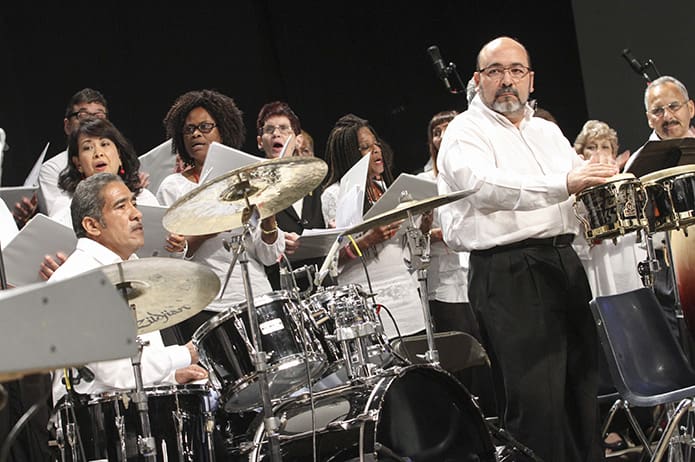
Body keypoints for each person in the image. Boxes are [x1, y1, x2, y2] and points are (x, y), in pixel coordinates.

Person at [436, 36, 618, 461]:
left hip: (562, 262)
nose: (507, 80)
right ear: (478, 80)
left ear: (530, 80)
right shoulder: (465, 132)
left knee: (581, 389)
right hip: (508, 270)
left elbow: (582, 190)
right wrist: (565, 185)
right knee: (536, 402)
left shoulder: (548, 132)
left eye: (516, 71)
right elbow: (482, 187)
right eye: (496, 71)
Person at [48, 173, 206, 405]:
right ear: (92, 225)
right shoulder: (76, 278)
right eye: (121, 206)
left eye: (134, 203)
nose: (137, 213)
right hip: (99, 422)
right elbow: (116, 372)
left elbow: (139, 361)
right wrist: (184, 354)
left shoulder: (129, 265)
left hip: (135, 404)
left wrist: (170, 376)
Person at [156, 89, 285, 340]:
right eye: (189, 129)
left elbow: (268, 257)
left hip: (258, 296)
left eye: (205, 126)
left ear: (223, 130)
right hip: (209, 306)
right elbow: (174, 259)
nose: (195, 134)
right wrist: (211, 227)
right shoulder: (173, 187)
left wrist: (269, 216)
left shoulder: (246, 178)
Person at [39, 118, 185, 280]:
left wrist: (177, 247)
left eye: (105, 144)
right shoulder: (65, 208)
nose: (98, 153)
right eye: (88, 147)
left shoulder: (144, 197)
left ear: (120, 155)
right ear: (78, 163)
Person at [321, 114, 424, 340]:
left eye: (375, 143)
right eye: (365, 148)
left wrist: (424, 216)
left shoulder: (386, 187)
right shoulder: (334, 195)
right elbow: (333, 261)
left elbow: (408, 245)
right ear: (349, 155)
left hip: (406, 293)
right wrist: (368, 240)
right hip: (370, 298)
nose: (376, 150)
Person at [255, 101, 327, 291]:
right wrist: (275, 241)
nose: (276, 134)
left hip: (324, 285)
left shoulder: (315, 179)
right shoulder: (254, 188)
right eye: (269, 130)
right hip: (283, 290)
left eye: (284, 129)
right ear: (260, 142)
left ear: (298, 140)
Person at [38, 88, 110, 218]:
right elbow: (61, 219)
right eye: (83, 116)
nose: (91, 122)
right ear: (67, 126)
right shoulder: (53, 169)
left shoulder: (117, 160)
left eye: (99, 116)